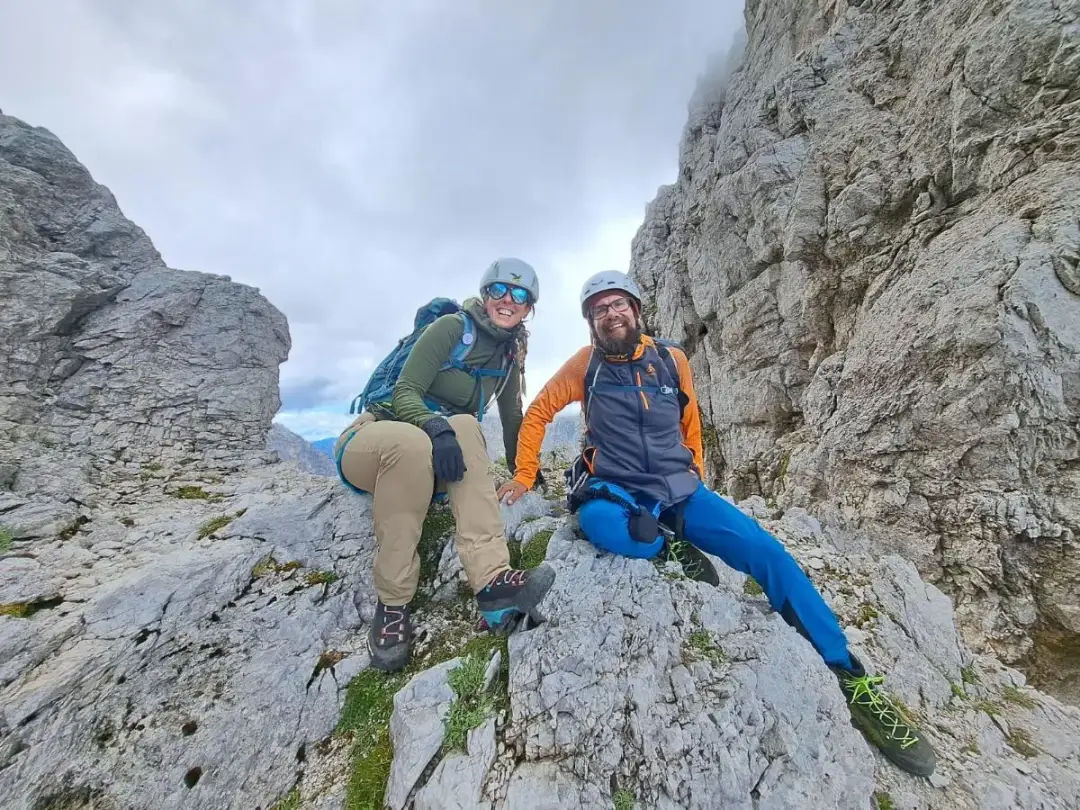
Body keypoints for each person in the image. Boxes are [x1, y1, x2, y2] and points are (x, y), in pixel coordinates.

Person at [497, 269, 937, 778]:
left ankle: (848, 674)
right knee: (601, 524)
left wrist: (697, 474)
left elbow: (690, 420)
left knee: (766, 553)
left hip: (680, 489)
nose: (610, 314)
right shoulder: (585, 365)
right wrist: (524, 475)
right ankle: (668, 549)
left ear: (636, 311)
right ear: (591, 323)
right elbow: (538, 413)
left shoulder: (671, 359)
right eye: (599, 310)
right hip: (620, 489)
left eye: (619, 305)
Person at [335, 258, 555, 672]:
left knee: (468, 427)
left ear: (529, 308)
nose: (508, 299)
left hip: (436, 456)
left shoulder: (508, 356)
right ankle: (392, 604)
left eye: (520, 294)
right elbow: (405, 391)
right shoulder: (452, 328)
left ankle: (493, 583)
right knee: (413, 443)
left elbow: (512, 417)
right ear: (485, 294)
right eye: (499, 290)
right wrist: (434, 426)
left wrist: (525, 471)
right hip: (377, 440)